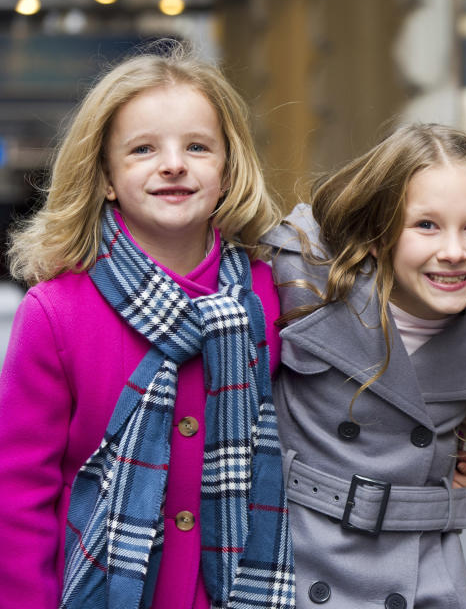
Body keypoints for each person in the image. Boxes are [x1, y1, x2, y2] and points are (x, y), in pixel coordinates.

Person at [0, 43, 294, 609]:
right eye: (142, 149)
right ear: (106, 176)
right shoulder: (56, 311)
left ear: (228, 169)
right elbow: (18, 493)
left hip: (238, 590)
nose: (173, 163)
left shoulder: (271, 292)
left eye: (197, 147)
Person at [263, 122, 466, 608]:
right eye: (426, 225)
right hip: (299, 564)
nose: (454, 252)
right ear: (377, 233)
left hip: (426, 573)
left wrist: (446, 460)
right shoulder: (295, 282)